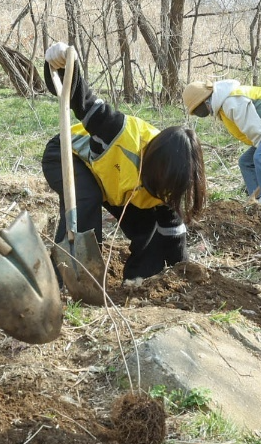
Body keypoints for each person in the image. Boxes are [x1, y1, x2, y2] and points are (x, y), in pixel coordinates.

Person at [43, 43, 205, 283]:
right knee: (86, 199)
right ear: (155, 164)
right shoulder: (118, 132)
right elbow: (81, 99)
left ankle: (137, 277)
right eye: (166, 188)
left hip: (113, 185)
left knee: (149, 227)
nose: (167, 195)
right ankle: (69, 276)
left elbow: (173, 233)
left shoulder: (171, 179)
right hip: (68, 156)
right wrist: (61, 63)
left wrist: (181, 275)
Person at [183, 79, 261, 228]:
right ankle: (259, 204)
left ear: (204, 101)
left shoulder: (231, 101)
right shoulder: (224, 103)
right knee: (246, 162)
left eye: (199, 110)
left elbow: (254, 129)